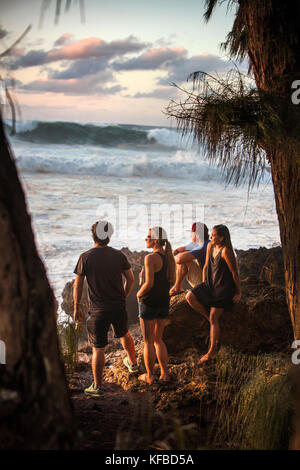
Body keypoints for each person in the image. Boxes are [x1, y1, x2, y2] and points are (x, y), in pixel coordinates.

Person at [73, 220, 138, 396]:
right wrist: (123, 296)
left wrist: (76, 307)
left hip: (97, 310)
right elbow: (131, 279)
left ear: (93, 235)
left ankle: (97, 387)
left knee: (98, 348)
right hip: (117, 306)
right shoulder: (119, 256)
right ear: (108, 236)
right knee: (124, 333)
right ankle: (132, 364)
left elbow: (77, 286)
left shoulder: (85, 257)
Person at [185, 224, 241, 365]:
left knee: (214, 317)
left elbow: (234, 273)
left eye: (214, 235)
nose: (211, 236)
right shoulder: (210, 246)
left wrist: (238, 291)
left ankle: (212, 352)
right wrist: (203, 285)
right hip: (210, 284)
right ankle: (208, 320)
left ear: (221, 238)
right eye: (212, 234)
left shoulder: (226, 251)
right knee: (189, 297)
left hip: (223, 289)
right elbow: (205, 267)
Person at [137, 226, 176, 384]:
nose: (145, 239)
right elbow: (171, 281)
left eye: (147, 237)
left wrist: (138, 294)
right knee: (158, 340)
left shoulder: (150, 258)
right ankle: (165, 374)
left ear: (155, 240)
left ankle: (150, 376)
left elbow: (149, 284)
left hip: (149, 302)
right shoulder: (169, 257)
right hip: (163, 302)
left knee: (148, 341)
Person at [170, 222, 210, 296]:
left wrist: (171, 259)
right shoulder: (197, 244)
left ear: (197, 234)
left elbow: (179, 259)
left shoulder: (204, 246)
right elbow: (179, 250)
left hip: (208, 283)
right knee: (182, 258)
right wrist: (175, 253)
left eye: (191, 232)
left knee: (184, 261)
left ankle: (177, 287)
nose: (190, 235)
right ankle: (177, 287)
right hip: (204, 277)